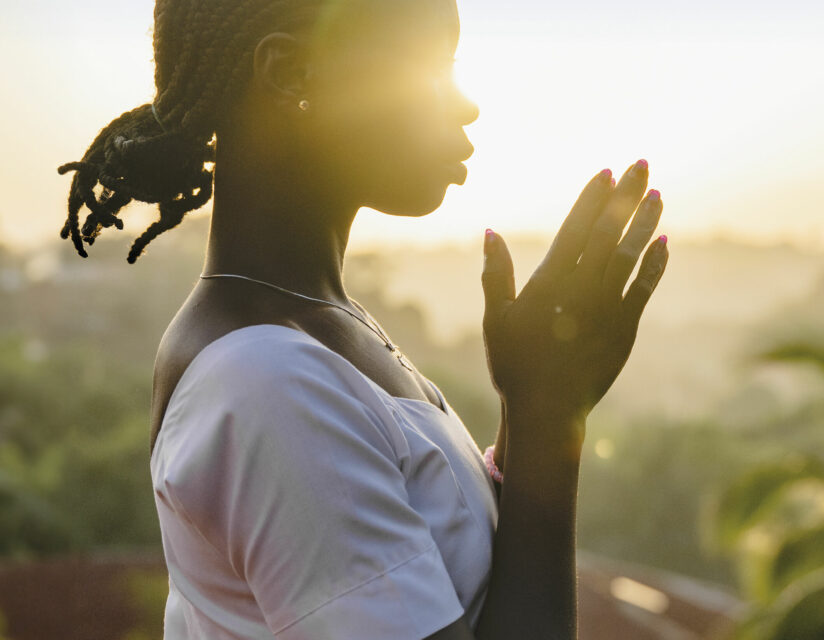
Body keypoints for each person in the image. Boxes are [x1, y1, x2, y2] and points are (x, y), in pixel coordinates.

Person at [56, 0, 669, 637]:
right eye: (428, 63)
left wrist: (527, 402)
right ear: (290, 73)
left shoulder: (319, 325)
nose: (466, 104)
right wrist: (550, 418)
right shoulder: (266, 383)